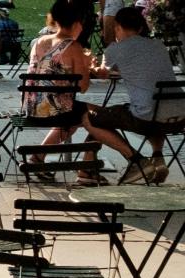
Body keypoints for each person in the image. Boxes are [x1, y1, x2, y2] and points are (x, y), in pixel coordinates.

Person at [83, 6, 185, 184]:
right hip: (180, 113)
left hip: (145, 117)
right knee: (153, 107)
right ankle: (158, 158)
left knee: (93, 118)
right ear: (140, 28)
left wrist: (91, 66)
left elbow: (103, 75)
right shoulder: (158, 45)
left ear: (118, 27)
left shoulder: (115, 49)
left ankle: (136, 161)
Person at [24, 0, 95, 183]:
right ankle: (87, 169)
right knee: (102, 116)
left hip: (31, 105)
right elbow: (83, 87)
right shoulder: (73, 47)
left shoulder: (39, 41)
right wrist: (87, 66)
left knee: (73, 118)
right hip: (55, 110)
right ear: (78, 23)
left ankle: (38, 157)